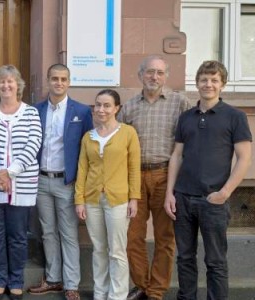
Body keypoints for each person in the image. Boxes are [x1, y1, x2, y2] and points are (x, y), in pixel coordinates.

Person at [164, 60, 252, 300]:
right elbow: (177, 155)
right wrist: (169, 193)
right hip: (182, 198)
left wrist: (225, 192)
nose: (208, 84)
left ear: (222, 84)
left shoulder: (235, 116)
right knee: (184, 258)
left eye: (214, 80)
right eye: (204, 79)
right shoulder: (186, 117)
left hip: (213, 200)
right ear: (197, 83)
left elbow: (244, 158)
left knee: (215, 261)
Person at [117, 55, 191, 300]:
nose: (154, 77)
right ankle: (141, 285)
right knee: (133, 236)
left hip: (165, 177)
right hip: (135, 177)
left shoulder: (180, 103)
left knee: (165, 237)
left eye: (159, 72)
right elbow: (119, 143)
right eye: (150, 72)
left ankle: (157, 290)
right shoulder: (128, 107)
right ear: (140, 75)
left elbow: (189, 142)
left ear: (166, 76)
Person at [0, 65, 42, 300]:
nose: (6, 85)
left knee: (18, 235)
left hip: (21, 184)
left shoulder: (31, 113)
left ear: (18, 85)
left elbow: (33, 144)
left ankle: (15, 280)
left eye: (10, 81)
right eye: (1, 82)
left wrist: (10, 172)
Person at [27, 64, 92, 300]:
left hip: (67, 182)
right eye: (54, 78)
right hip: (41, 180)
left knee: (68, 233)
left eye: (64, 79)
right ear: (48, 80)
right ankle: (53, 278)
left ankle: (71, 283)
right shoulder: (36, 110)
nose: (59, 83)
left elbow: (88, 150)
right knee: (47, 232)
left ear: (69, 82)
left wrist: (82, 185)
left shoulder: (82, 112)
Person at [75, 89, 140, 300]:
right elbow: (82, 170)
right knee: (99, 249)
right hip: (92, 199)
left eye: (106, 105)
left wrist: (134, 199)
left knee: (117, 251)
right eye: (98, 105)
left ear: (116, 108)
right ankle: (100, 293)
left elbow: (133, 168)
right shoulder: (88, 137)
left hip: (118, 200)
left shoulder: (128, 133)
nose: (101, 110)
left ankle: (117, 295)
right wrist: (79, 201)